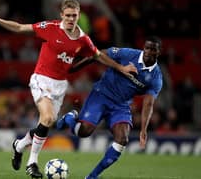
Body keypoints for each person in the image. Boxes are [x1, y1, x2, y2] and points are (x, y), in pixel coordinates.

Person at [0, 0, 137, 179]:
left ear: (79, 15)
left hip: (60, 86)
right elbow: (20, 28)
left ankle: (19, 145)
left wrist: (120, 67)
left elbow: (97, 55)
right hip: (41, 79)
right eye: (68, 15)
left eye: (74, 15)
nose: (71, 19)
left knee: (46, 124)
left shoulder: (83, 39)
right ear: (61, 15)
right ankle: (31, 163)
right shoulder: (50, 27)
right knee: (47, 118)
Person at [57, 36, 163, 179]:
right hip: (102, 95)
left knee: (122, 139)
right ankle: (70, 117)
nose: (148, 52)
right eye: (147, 48)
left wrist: (144, 129)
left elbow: (148, 104)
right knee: (84, 132)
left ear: (159, 52)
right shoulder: (128, 54)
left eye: (153, 49)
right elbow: (99, 54)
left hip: (121, 105)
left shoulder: (156, 78)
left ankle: (92, 176)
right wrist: (74, 68)